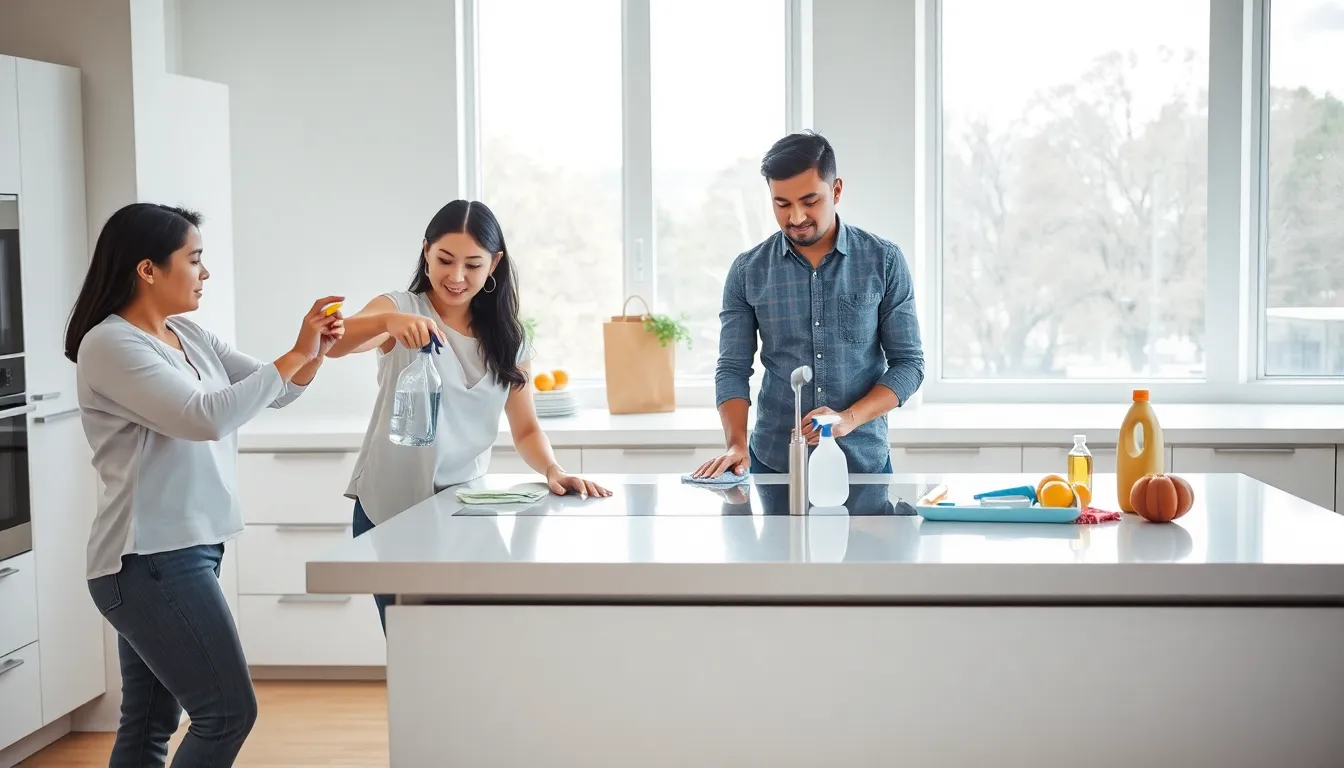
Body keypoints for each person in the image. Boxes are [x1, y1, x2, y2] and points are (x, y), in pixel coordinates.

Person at [65, 203, 344, 766]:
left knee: (148, 722)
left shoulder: (187, 333)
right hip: (147, 560)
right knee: (226, 713)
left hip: (184, 551)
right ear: (148, 270)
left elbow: (278, 391)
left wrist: (311, 352)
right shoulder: (110, 345)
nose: (204, 273)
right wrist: (293, 355)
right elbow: (205, 417)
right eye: (194, 260)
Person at [326, 199, 610, 632]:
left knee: (470, 648)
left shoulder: (509, 338)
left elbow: (527, 428)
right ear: (426, 251)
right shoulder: (400, 307)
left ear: (494, 264)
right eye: (444, 260)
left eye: (472, 264)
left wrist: (553, 468)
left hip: (464, 510)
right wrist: (388, 320)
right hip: (391, 511)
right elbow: (339, 343)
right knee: (413, 651)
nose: (456, 277)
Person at [694, 131, 924, 480]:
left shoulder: (884, 261)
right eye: (782, 204)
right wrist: (737, 444)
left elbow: (909, 365)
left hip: (863, 466)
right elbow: (732, 370)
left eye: (809, 201)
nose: (797, 217)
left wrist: (847, 419)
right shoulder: (747, 271)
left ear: (836, 191)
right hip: (775, 467)